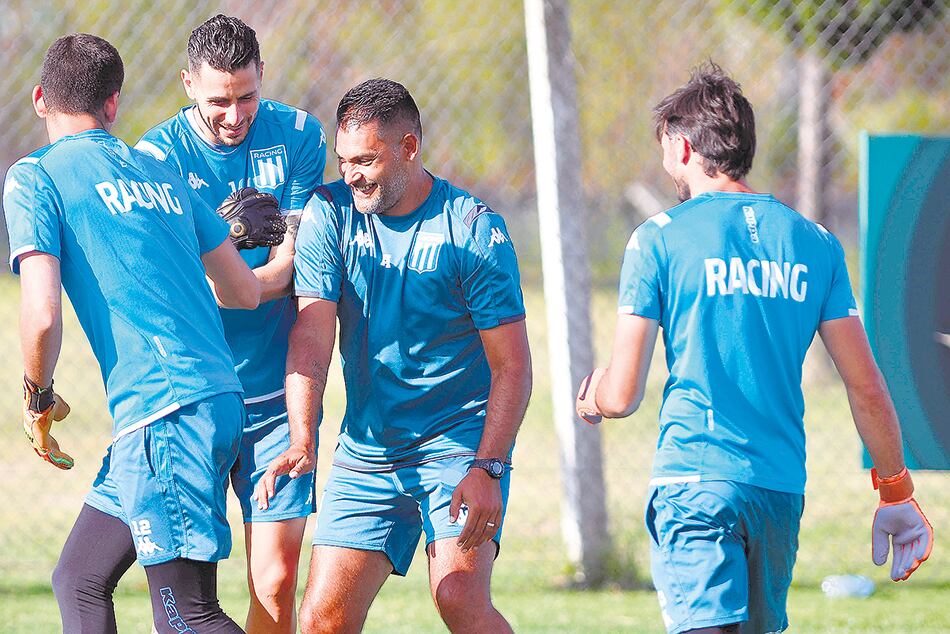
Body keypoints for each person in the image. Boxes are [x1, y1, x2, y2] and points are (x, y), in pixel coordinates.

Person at [575, 62, 933, 634]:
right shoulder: (815, 243)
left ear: (684, 147)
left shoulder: (659, 238)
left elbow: (623, 395)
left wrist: (593, 397)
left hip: (694, 485)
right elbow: (865, 386)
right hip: (777, 492)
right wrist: (895, 491)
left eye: (665, 145)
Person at [5, 34, 262, 633]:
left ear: (40, 98)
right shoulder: (164, 174)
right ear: (113, 105)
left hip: (164, 411)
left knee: (186, 617)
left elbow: (41, 312)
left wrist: (36, 396)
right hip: (210, 399)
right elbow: (244, 292)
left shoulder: (35, 176)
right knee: (80, 579)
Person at [255, 77, 532, 633]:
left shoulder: (473, 230)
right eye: (343, 161)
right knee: (321, 622)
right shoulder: (328, 215)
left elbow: (514, 368)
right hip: (369, 449)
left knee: (458, 597)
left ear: (409, 147)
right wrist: (303, 436)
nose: (351, 174)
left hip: (457, 442)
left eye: (366, 160)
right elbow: (311, 338)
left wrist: (487, 468)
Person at [135, 15, 327, 633]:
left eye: (247, 96)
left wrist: (233, 280)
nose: (234, 114)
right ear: (187, 83)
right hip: (194, 397)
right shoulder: (155, 156)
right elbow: (162, 285)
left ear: (262, 75)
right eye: (218, 100)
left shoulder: (299, 134)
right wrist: (238, 271)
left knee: (274, 584)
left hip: (274, 396)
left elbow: (294, 263)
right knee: (191, 596)